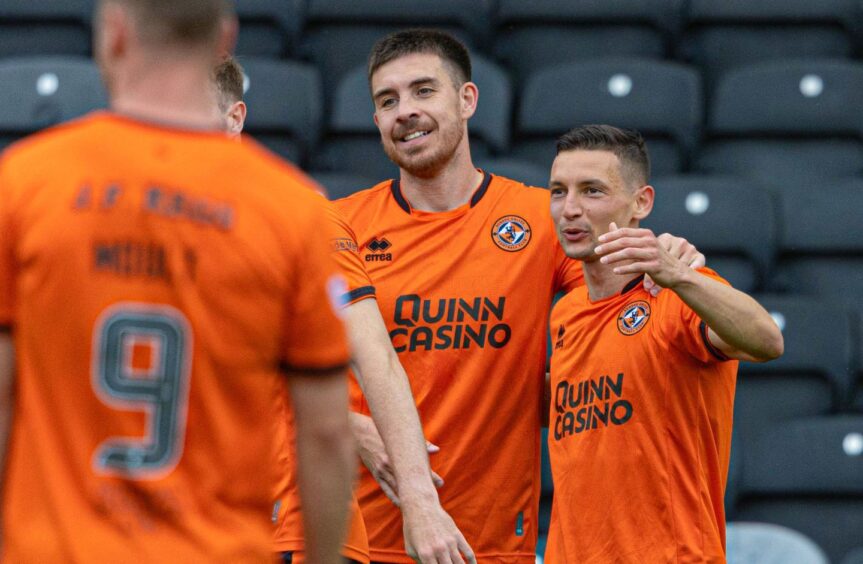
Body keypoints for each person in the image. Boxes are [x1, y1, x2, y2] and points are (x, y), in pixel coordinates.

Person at [0, 2, 354, 562]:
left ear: (115, 33)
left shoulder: (22, 182)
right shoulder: (293, 209)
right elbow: (329, 433)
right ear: (225, 38)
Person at [335, 29, 705, 563]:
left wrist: (674, 259)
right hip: (359, 537)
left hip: (489, 539)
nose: (404, 112)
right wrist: (353, 425)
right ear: (375, 121)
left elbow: (616, 322)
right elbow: (263, 357)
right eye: (386, 101)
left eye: (422, 91)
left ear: (467, 100)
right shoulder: (342, 223)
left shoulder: (544, 219)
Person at [210, 55, 474, 564]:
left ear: (235, 118)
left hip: (285, 510)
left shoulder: (296, 214)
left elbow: (372, 354)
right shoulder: (122, 220)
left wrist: (419, 500)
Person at [545, 125, 783, 562]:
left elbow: (767, 340)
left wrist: (679, 275)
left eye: (592, 191)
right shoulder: (566, 313)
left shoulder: (672, 293)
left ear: (642, 202)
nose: (570, 209)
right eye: (559, 191)